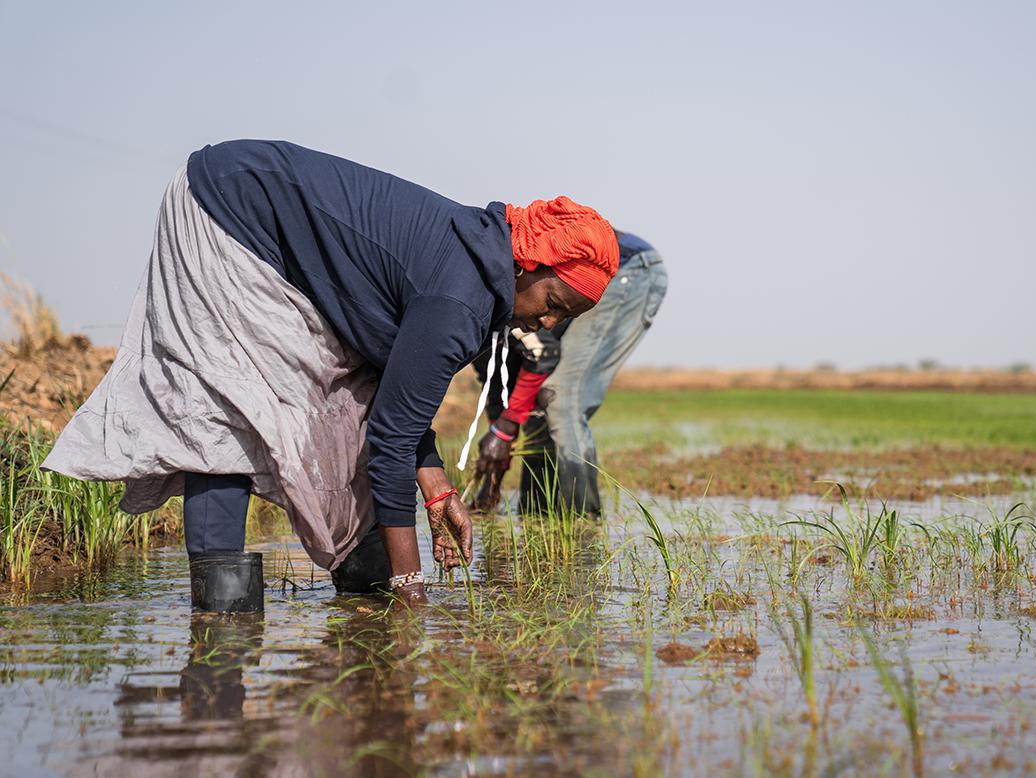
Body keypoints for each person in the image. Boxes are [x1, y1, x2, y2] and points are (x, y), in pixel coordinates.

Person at [43, 140, 619, 610]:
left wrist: (438, 490)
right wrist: (411, 591)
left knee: (335, 405)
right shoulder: (459, 302)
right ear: (531, 261)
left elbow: (398, 405)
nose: (547, 320)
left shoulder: (474, 269)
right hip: (230, 210)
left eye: (563, 316)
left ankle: (343, 584)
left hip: (253, 215)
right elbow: (390, 443)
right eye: (553, 300)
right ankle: (222, 620)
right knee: (236, 407)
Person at [470, 230, 666, 516]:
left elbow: (543, 354)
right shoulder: (472, 330)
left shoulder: (502, 299)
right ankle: (538, 511)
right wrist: (494, 467)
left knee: (560, 397)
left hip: (627, 270)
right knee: (536, 403)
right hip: (599, 271)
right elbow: (502, 391)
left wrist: (504, 429)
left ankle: (580, 520)